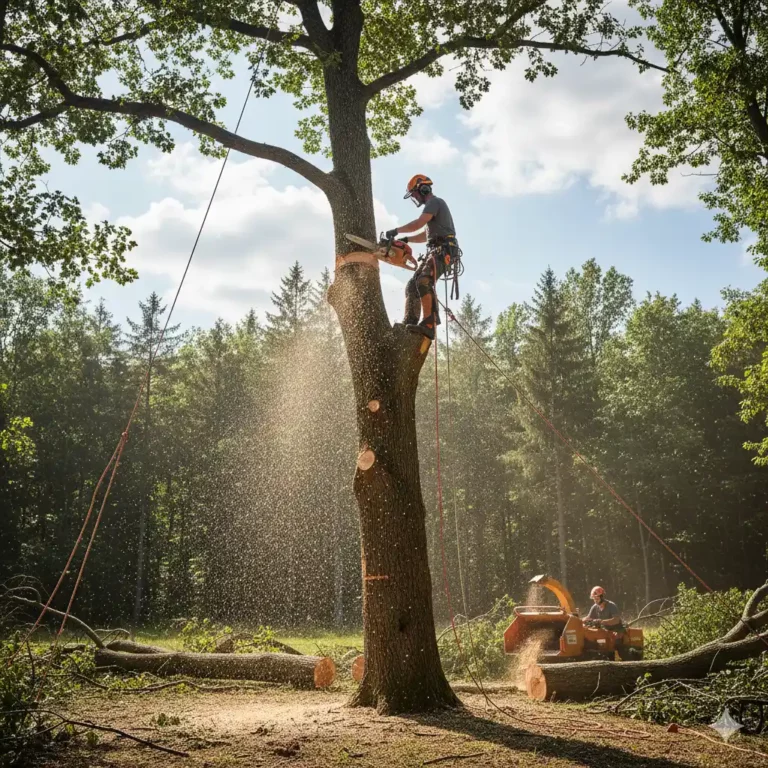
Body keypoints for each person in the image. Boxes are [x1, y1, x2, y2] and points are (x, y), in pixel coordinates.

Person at [384, 174, 461, 340]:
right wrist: (406, 239)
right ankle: (409, 320)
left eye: (415, 194)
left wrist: (396, 231)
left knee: (423, 281)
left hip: (444, 250)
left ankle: (429, 324)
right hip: (435, 249)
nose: (415, 198)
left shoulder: (434, 202)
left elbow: (418, 223)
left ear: (423, 189)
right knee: (412, 286)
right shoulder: (432, 210)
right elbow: (425, 235)